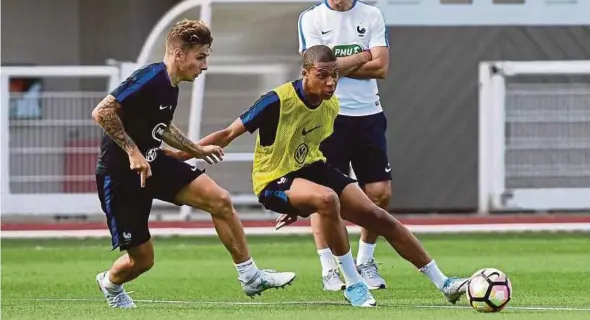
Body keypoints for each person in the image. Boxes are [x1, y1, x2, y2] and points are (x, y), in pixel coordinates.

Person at [171, 45, 468, 307]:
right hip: (273, 179)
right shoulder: (275, 101)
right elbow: (227, 133)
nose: (330, 82)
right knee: (326, 199)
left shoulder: (331, 106)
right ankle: (353, 285)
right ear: (305, 73)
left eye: (334, 76)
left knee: (378, 217)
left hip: (311, 170)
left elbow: (312, 149)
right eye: (322, 75)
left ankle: (445, 283)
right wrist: (184, 153)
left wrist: (299, 204)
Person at [91, 18, 295, 309]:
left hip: (153, 163)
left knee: (220, 200)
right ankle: (110, 283)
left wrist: (195, 149)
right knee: (143, 261)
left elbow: (163, 128)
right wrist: (133, 152)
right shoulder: (150, 78)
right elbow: (102, 112)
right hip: (121, 176)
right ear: (179, 54)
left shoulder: (171, 86)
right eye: (200, 58)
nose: (204, 66)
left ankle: (250, 276)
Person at [297, 0, 393, 291]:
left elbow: (381, 68)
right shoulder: (311, 19)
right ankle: (330, 267)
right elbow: (319, 70)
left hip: (368, 114)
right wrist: (364, 54)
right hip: (327, 117)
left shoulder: (372, 15)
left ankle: (366, 261)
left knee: (379, 193)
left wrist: (340, 61)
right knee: (325, 197)